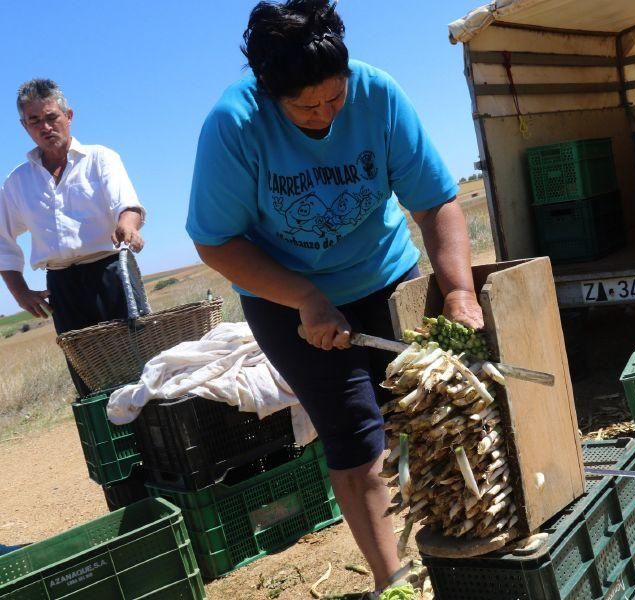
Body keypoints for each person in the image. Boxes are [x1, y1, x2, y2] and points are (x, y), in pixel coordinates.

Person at [186, 0, 483, 595]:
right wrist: (303, 297)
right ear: (270, 92)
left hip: (386, 275)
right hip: (288, 298)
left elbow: (434, 200)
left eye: (333, 99)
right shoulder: (234, 124)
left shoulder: (377, 94)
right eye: (304, 107)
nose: (323, 115)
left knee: (434, 410)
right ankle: (391, 578)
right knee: (355, 435)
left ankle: (465, 545)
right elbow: (215, 241)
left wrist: (458, 290)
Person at [0, 79, 146, 397]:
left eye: (51, 116)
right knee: (90, 381)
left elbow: (128, 205)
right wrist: (19, 290)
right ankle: (109, 445)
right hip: (62, 289)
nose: (45, 126)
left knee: (140, 367)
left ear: (69, 115)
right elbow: (2, 240)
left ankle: (157, 444)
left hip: (112, 273)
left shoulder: (100, 158)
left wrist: (128, 226)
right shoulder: (17, 183)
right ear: (24, 126)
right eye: (34, 120)